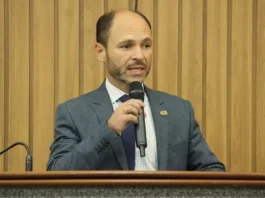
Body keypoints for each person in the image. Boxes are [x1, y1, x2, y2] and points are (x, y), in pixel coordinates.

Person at [47, 9, 225, 171]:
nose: (139, 56)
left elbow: (212, 171)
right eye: (126, 46)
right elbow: (57, 173)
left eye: (146, 45)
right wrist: (109, 130)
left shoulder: (179, 110)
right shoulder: (73, 112)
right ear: (101, 52)